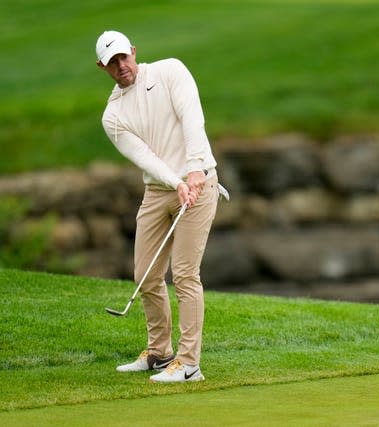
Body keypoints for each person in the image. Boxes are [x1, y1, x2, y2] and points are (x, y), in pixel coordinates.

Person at [96, 30, 227, 383]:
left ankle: (188, 365)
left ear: (134, 52)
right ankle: (159, 352)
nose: (121, 65)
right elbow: (146, 157)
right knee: (146, 276)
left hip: (200, 184)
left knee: (185, 274)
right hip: (159, 191)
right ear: (102, 67)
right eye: (112, 62)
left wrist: (196, 167)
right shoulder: (113, 115)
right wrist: (177, 181)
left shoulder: (170, 71)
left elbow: (191, 117)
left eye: (124, 56)